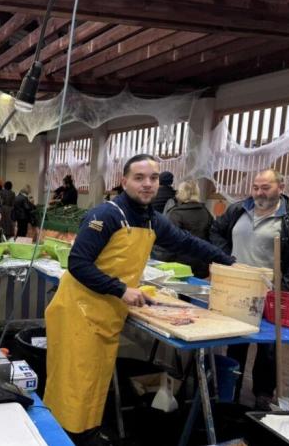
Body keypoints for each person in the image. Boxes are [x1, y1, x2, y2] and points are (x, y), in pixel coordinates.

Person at [44, 154, 234, 445]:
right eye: (139, 177)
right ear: (124, 181)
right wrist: (122, 290)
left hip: (106, 311)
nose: (147, 184)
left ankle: (87, 429)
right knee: (73, 378)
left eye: (153, 178)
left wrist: (227, 261)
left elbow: (186, 242)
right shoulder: (105, 215)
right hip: (77, 309)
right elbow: (78, 264)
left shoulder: (152, 219)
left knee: (96, 376)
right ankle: (64, 434)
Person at [210, 169, 289, 410]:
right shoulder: (238, 209)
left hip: (272, 294)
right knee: (236, 340)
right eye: (255, 187)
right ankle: (231, 389)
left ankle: (263, 394)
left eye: (265, 187)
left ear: (281, 187)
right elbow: (216, 231)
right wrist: (226, 259)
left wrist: (283, 292)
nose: (259, 193)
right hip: (239, 288)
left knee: (268, 347)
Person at [163, 180, 214, 278]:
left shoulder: (175, 214)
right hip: (201, 263)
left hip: (179, 266)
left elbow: (169, 242)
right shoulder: (206, 213)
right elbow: (211, 239)